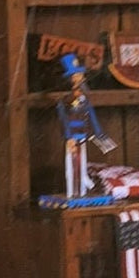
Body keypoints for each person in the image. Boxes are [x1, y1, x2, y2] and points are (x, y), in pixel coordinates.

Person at [56, 54, 114, 198]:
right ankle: (74, 191)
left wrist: (98, 133)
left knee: (81, 163)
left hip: (83, 134)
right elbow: (64, 120)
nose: (79, 79)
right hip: (72, 136)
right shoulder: (65, 102)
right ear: (71, 80)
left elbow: (92, 117)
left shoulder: (84, 100)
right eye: (76, 76)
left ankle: (83, 187)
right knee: (71, 165)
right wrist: (69, 137)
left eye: (80, 76)